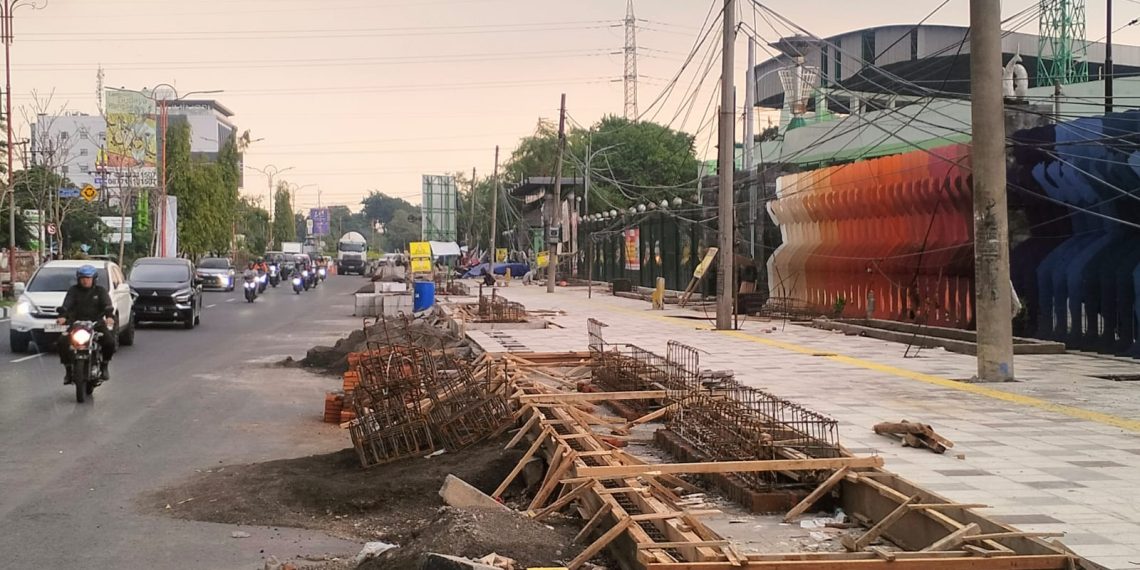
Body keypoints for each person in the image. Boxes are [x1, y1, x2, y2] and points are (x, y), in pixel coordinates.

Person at [57, 265, 116, 384]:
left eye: (88, 278)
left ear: (94, 279)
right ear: (78, 279)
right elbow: (66, 305)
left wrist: (109, 317)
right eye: (83, 278)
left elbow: (107, 305)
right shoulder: (73, 290)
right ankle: (68, 370)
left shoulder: (100, 291)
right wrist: (62, 316)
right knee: (62, 342)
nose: (85, 280)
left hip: (96, 323)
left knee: (110, 341)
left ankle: (105, 365)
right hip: (76, 324)